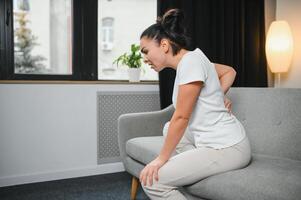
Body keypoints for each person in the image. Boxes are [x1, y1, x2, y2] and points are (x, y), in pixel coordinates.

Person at [138, 8, 251, 200]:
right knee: (168, 128)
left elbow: (181, 116)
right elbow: (229, 71)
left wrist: (161, 159)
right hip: (221, 140)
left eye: (146, 51)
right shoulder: (193, 60)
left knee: (153, 181)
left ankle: (189, 164)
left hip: (227, 147)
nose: (145, 58)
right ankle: (193, 162)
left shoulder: (191, 63)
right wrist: (216, 96)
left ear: (164, 45)